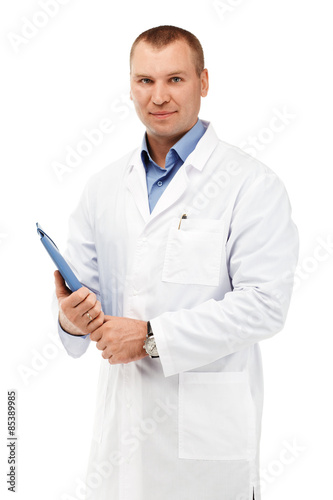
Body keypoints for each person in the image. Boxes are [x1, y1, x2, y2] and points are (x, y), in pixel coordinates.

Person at [54, 25, 299, 500]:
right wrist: (71, 318)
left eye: (175, 80)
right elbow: (83, 302)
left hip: (207, 454)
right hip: (119, 444)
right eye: (145, 81)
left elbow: (265, 305)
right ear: (129, 87)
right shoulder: (103, 187)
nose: (159, 96)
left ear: (203, 82)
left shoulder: (251, 184)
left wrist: (149, 336)